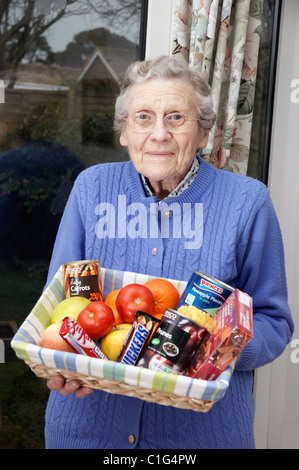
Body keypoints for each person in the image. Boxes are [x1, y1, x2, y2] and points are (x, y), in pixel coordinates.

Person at [44, 55, 293, 449]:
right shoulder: (91, 188)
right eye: (143, 117)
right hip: (88, 430)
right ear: (124, 131)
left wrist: (215, 351)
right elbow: (57, 301)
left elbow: (273, 321)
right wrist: (60, 360)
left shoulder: (248, 202)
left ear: (203, 134)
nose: (158, 133)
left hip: (201, 437)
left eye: (177, 118)